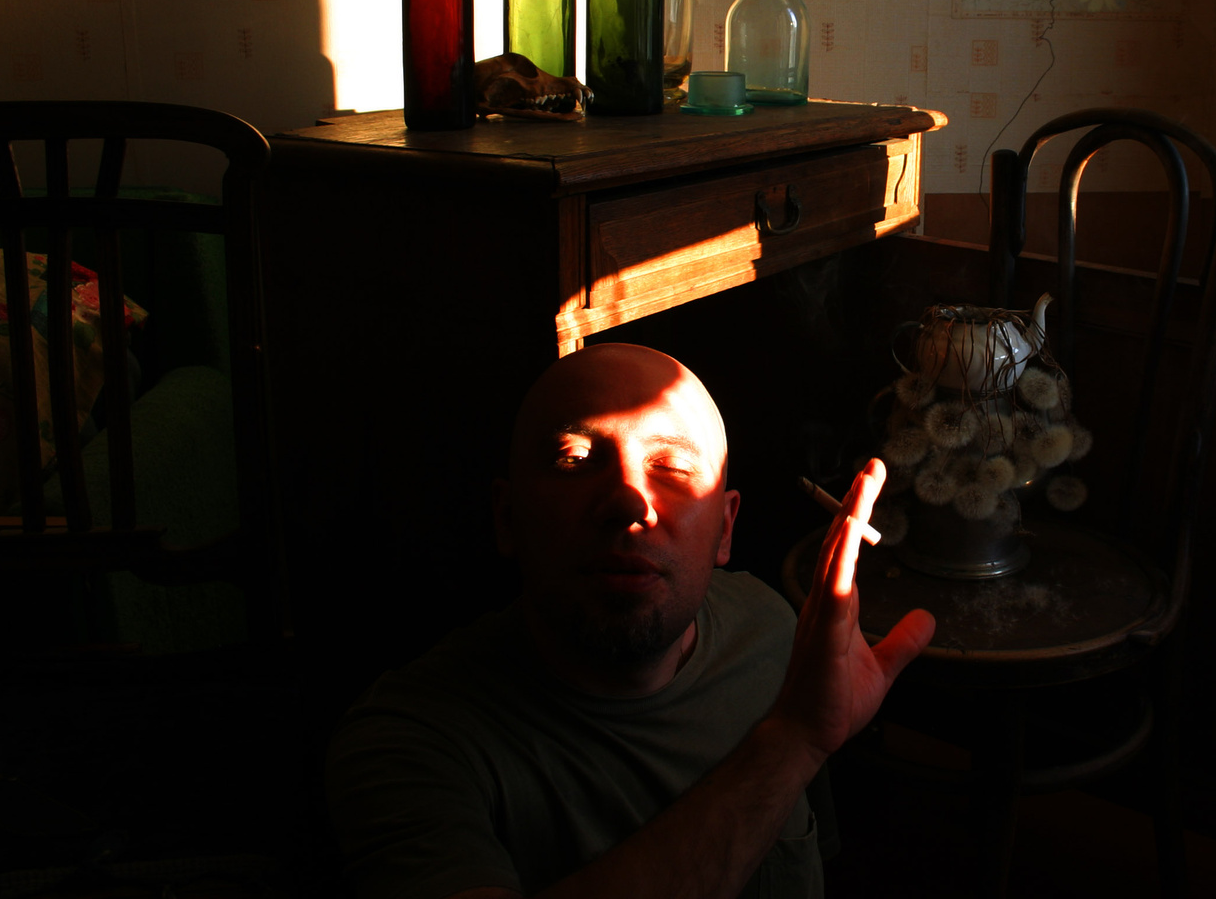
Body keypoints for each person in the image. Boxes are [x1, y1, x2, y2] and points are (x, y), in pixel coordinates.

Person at [325, 342, 936, 899]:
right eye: (574, 458)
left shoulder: (774, 634)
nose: (627, 501)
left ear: (725, 529)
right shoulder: (410, 746)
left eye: (671, 466)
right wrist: (793, 741)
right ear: (507, 518)